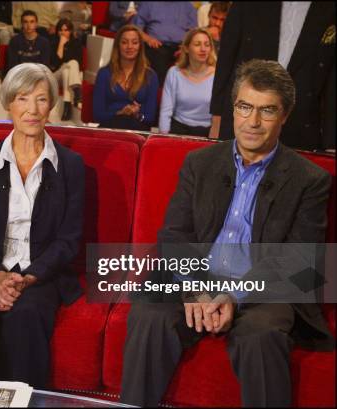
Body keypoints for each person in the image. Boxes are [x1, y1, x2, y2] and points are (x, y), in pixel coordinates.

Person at [120, 59, 335, 407]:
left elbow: (299, 261)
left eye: (267, 111)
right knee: (149, 313)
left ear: (285, 115)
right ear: (233, 107)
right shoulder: (199, 164)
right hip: (197, 280)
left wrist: (235, 296)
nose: (252, 121)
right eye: (245, 107)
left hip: (262, 291)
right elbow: (174, 235)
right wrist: (199, 290)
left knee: (261, 336)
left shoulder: (309, 180)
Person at [0, 63, 85, 388]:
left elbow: (69, 239)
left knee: (26, 316)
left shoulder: (71, 166)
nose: (32, 110)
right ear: (9, 103)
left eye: (40, 99)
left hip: (41, 273)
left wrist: (28, 277)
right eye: (23, 99)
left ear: (51, 105)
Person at [209, 2, 335, 151]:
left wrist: (331, 144)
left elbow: (332, 82)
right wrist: (216, 120)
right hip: (244, 123)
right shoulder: (245, 6)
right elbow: (226, 61)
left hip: (300, 130)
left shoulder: (330, 9)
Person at [93, 25, 159, 131]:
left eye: (134, 42)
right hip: (110, 128)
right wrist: (119, 113)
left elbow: (150, 117)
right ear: (117, 46)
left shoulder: (150, 76)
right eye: (124, 42)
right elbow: (98, 114)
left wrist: (137, 114)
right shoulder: (104, 73)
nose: (129, 46)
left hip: (137, 129)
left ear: (140, 46)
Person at [159, 28, 216, 136]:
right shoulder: (174, 73)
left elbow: (219, 116)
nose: (203, 49)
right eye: (197, 44)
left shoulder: (217, 75)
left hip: (207, 131)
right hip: (178, 130)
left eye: (207, 45)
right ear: (186, 48)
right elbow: (165, 111)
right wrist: (163, 137)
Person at [132, 1, 197, 85]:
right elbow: (136, 28)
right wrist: (148, 39)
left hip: (182, 47)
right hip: (156, 45)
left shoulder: (188, 6)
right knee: (158, 62)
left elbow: (193, 33)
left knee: (193, 56)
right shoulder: (148, 4)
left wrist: (185, 47)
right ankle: (160, 94)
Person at [49, 18, 83, 121]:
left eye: (66, 30)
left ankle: (67, 106)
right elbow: (54, 64)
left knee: (67, 71)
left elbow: (79, 62)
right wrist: (61, 44)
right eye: (61, 30)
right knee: (70, 65)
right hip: (55, 75)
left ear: (71, 31)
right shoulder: (53, 42)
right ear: (57, 31)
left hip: (68, 74)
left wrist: (66, 60)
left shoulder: (76, 43)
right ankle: (77, 91)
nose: (63, 33)